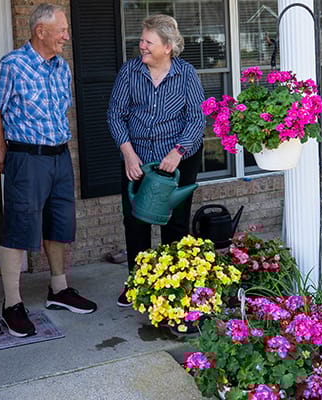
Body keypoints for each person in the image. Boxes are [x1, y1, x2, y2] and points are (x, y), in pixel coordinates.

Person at [0, 3, 96, 338]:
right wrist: (6, 159)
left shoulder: (63, 68)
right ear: (40, 31)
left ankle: (58, 289)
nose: (66, 35)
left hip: (60, 157)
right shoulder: (12, 65)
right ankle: (12, 304)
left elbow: (61, 114)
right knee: (18, 227)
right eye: (61, 29)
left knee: (60, 225)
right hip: (26, 158)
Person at [107, 14, 206, 307]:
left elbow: (196, 118)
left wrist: (178, 151)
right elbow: (115, 114)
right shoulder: (130, 72)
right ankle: (137, 283)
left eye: (148, 42)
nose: (142, 46)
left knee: (175, 224)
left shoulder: (186, 73)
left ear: (167, 47)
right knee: (135, 222)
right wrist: (128, 154)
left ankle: (173, 287)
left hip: (177, 160)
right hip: (137, 158)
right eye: (141, 40)